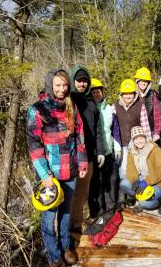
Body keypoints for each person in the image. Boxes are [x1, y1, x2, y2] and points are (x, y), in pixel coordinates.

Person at [26, 69, 88, 267]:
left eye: (64, 85)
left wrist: (83, 161)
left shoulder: (71, 106)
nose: (62, 89)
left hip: (70, 170)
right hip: (50, 175)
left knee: (66, 213)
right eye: (58, 85)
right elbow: (34, 147)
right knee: (49, 216)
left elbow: (80, 136)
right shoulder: (37, 110)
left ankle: (65, 247)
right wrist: (44, 175)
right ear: (50, 86)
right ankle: (54, 256)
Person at [69, 66, 105, 231]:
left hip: (89, 154)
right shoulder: (69, 99)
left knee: (83, 192)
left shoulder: (92, 103)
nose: (82, 84)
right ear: (73, 81)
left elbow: (98, 129)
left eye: (84, 81)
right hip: (70, 155)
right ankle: (66, 224)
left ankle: (76, 224)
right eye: (79, 81)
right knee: (70, 192)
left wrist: (101, 151)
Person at [120, 126, 161, 215]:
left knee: (146, 203)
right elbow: (130, 168)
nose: (139, 141)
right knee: (124, 184)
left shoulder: (155, 150)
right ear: (133, 141)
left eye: (141, 138)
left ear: (145, 138)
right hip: (143, 178)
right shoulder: (132, 151)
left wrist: (145, 182)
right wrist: (134, 181)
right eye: (136, 139)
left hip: (159, 182)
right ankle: (142, 197)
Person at [88, 78, 120, 216]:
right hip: (93, 153)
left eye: (98, 91)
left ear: (102, 92)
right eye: (93, 91)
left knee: (111, 180)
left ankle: (111, 206)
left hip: (108, 151)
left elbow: (115, 130)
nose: (96, 94)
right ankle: (96, 210)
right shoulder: (87, 109)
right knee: (96, 183)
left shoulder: (109, 109)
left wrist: (117, 148)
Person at [113, 78, 143, 203]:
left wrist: (145, 143)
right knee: (122, 171)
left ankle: (131, 195)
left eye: (131, 93)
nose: (128, 96)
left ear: (134, 94)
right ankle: (122, 194)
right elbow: (112, 126)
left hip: (136, 144)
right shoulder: (115, 106)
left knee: (137, 170)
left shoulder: (140, 105)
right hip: (122, 144)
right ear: (121, 94)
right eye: (126, 93)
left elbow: (145, 125)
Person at [134, 67, 161, 141]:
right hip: (135, 131)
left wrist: (157, 132)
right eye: (141, 80)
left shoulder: (153, 94)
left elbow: (157, 115)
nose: (143, 83)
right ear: (137, 82)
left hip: (150, 130)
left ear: (149, 83)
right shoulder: (132, 95)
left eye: (145, 81)